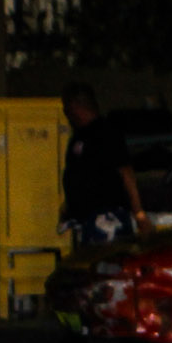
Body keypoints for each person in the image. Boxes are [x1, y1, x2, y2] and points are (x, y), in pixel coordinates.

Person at [59, 84, 146, 247]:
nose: (66, 113)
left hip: (108, 219)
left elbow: (126, 173)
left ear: (76, 106)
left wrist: (139, 214)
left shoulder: (107, 133)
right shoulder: (79, 136)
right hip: (86, 220)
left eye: (67, 108)